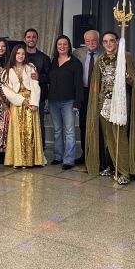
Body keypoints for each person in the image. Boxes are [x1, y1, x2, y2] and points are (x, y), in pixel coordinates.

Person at [85, 31, 135, 185]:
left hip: (120, 103)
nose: (108, 44)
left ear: (117, 41)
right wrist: (96, 102)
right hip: (104, 103)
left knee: (120, 136)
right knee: (108, 137)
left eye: (111, 40)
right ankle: (114, 167)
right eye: (105, 41)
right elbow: (97, 83)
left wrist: (126, 76)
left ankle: (125, 172)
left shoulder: (125, 57)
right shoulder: (100, 59)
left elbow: (133, 82)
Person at [1, 45, 45, 168]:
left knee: (30, 132)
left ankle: (32, 160)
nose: (20, 56)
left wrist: (34, 103)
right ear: (14, 55)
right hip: (17, 105)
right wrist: (21, 100)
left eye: (23, 54)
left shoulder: (30, 67)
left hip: (30, 104)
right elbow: (7, 90)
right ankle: (19, 160)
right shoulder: (7, 71)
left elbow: (35, 85)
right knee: (18, 131)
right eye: (18, 53)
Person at [48, 35, 84, 170]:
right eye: (59, 44)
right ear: (56, 47)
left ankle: (68, 160)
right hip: (53, 101)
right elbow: (49, 79)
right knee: (57, 130)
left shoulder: (75, 63)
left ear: (69, 46)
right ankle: (58, 156)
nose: (62, 46)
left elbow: (79, 84)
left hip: (69, 101)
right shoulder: (53, 61)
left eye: (65, 44)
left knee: (69, 131)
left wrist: (78, 103)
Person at [74, 30, 102, 165]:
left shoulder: (104, 53)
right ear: (84, 42)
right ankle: (85, 154)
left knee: (99, 125)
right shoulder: (77, 53)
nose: (91, 43)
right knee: (83, 124)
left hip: (99, 93)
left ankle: (99, 155)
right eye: (88, 41)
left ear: (98, 41)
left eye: (94, 40)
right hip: (83, 92)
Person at [23, 28, 51, 147]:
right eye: (29, 37)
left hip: (39, 97)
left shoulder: (44, 58)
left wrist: (39, 77)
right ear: (24, 39)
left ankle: (41, 150)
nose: (31, 39)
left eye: (34, 37)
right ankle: (25, 150)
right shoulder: (19, 56)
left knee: (38, 123)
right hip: (22, 97)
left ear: (37, 39)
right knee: (24, 124)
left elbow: (50, 77)